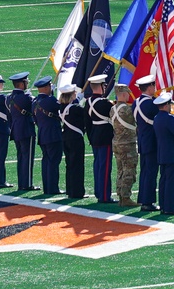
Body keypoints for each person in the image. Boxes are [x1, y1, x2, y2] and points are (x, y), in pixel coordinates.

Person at [153, 93, 174, 215]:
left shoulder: (157, 118)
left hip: (162, 153)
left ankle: (163, 205)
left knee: (163, 181)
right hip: (172, 154)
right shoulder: (169, 118)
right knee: (171, 182)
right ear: (166, 105)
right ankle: (170, 208)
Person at [87, 74, 115, 203]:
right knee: (104, 167)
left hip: (94, 136)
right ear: (101, 87)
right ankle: (104, 196)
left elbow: (87, 122)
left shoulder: (87, 102)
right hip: (105, 137)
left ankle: (99, 192)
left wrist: (90, 137)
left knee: (98, 165)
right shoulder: (104, 104)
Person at [7, 72, 37, 190]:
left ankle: (22, 183)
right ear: (21, 84)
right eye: (26, 82)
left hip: (15, 130)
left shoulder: (9, 97)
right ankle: (27, 184)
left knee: (21, 157)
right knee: (28, 158)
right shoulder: (26, 98)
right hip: (26, 129)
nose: (28, 83)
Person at [32, 76, 62, 195]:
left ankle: (47, 187)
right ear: (45, 87)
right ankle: (53, 188)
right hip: (53, 135)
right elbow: (60, 109)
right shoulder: (51, 101)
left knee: (46, 162)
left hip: (43, 135)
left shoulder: (34, 102)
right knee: (54, 162)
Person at [110, 84, 139, 207]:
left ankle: (120, 195)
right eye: (127, 93)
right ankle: (126, 197)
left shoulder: (112, 109)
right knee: (129, 171)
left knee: (120, 170)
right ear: (123, 94)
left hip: (116, 143)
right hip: (128, 144)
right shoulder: (127, 110)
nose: (128, 95)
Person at [134, 75, 160, 211]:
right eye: (153, 86)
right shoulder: (150, 104)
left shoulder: (136, 102)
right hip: (151, 141)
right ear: (149, 87)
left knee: (145, 171)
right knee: (150, 172)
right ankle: (148, 201)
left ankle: (143, 198)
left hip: (143, 140)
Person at [58, 84, 87, 199]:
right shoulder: (75, 109)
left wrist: (78, 100)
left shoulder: (61, 107)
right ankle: (77, 192)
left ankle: (70, 190)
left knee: (69, 165)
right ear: (71, 95)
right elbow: (84, 113)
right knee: (77, 166)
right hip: (76, 139)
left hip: (66, 137)